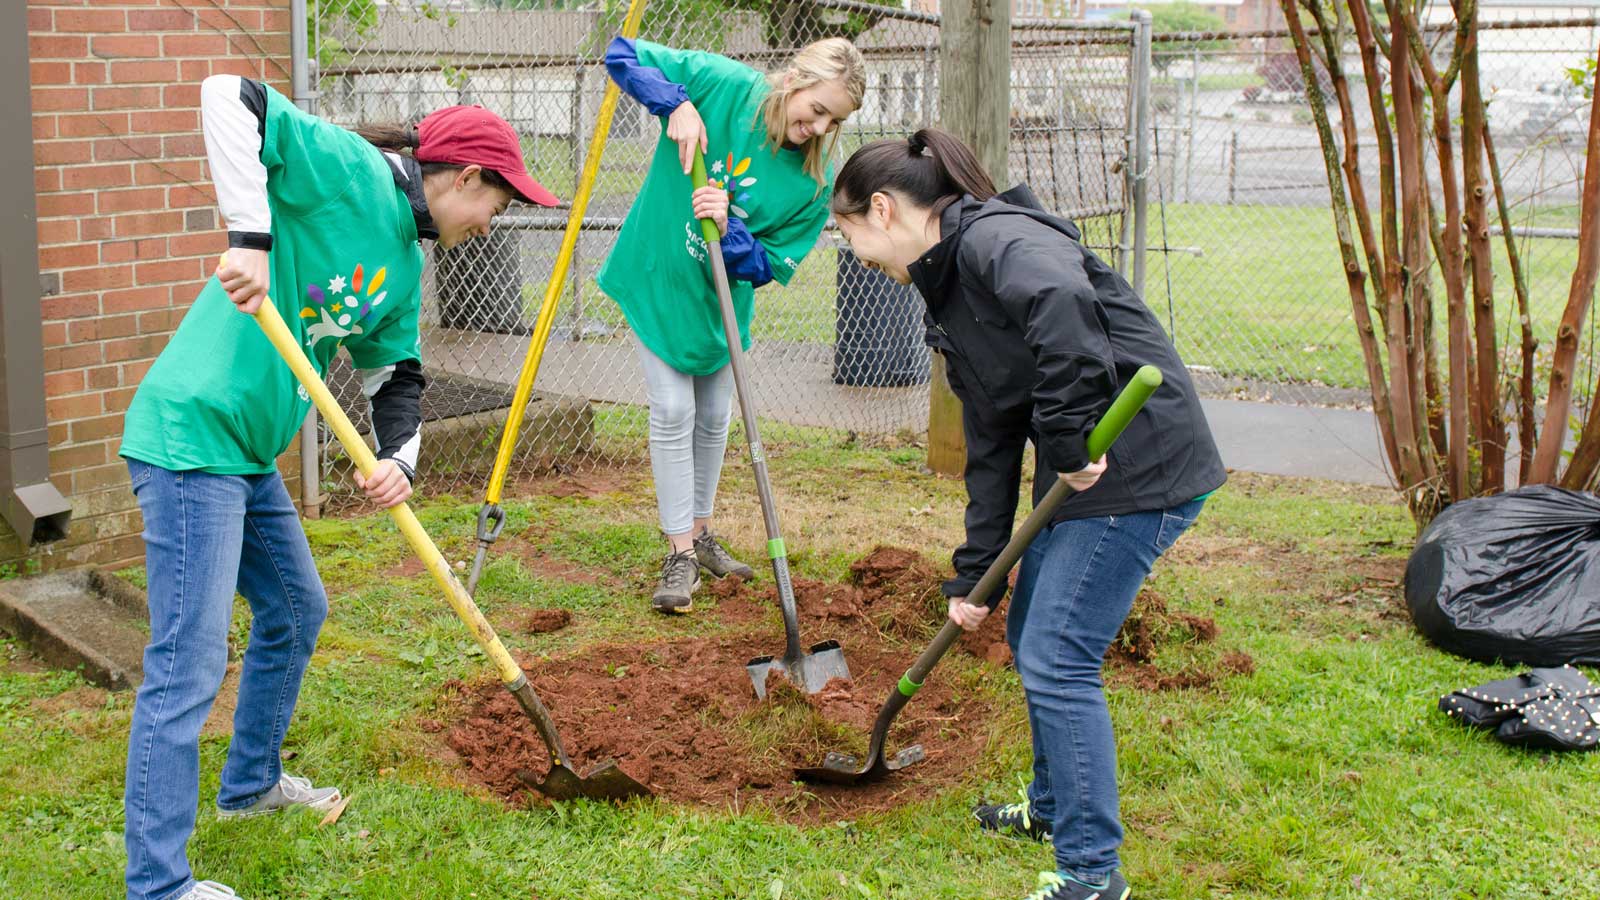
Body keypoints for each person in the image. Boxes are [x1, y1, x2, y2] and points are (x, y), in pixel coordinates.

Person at [116, 74, 557, 900]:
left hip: (245, 453)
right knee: (188, 662)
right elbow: (227, 95)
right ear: (464, 177)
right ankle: (157, 884)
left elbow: (397, 377)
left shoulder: (401, 258)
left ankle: (249, 787)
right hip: (190, 440)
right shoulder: (346, 169)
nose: (494, 220)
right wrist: (249, 236)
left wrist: (402, 462)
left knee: (296, 607)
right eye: (497, 202)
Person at [828, 128, 1227, 900]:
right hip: (1086, 479)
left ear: (881, 209)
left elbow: (1062, 300)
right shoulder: (948, 290)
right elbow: (993, 437)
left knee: (1057, 656)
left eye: (849, 236)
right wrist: (975, 574)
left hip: (1138, 467)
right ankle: (1050, 809)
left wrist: (1073, 437)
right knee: (1026, 627)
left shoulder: (997, 238)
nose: (860, 258)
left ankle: (1091, 876)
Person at [600, 35, 865, 613]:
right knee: (673, 410)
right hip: (660, 274)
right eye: (817, 110)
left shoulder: (814, 182)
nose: (820, 128)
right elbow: (622, 53)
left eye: (833, 121)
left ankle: (699, 533)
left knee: (715, 416)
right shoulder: (725, 86)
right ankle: (678, 555)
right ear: (796, 78)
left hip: (721, 303)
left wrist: (731, 226)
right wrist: (677, 105)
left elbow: (768, 265)